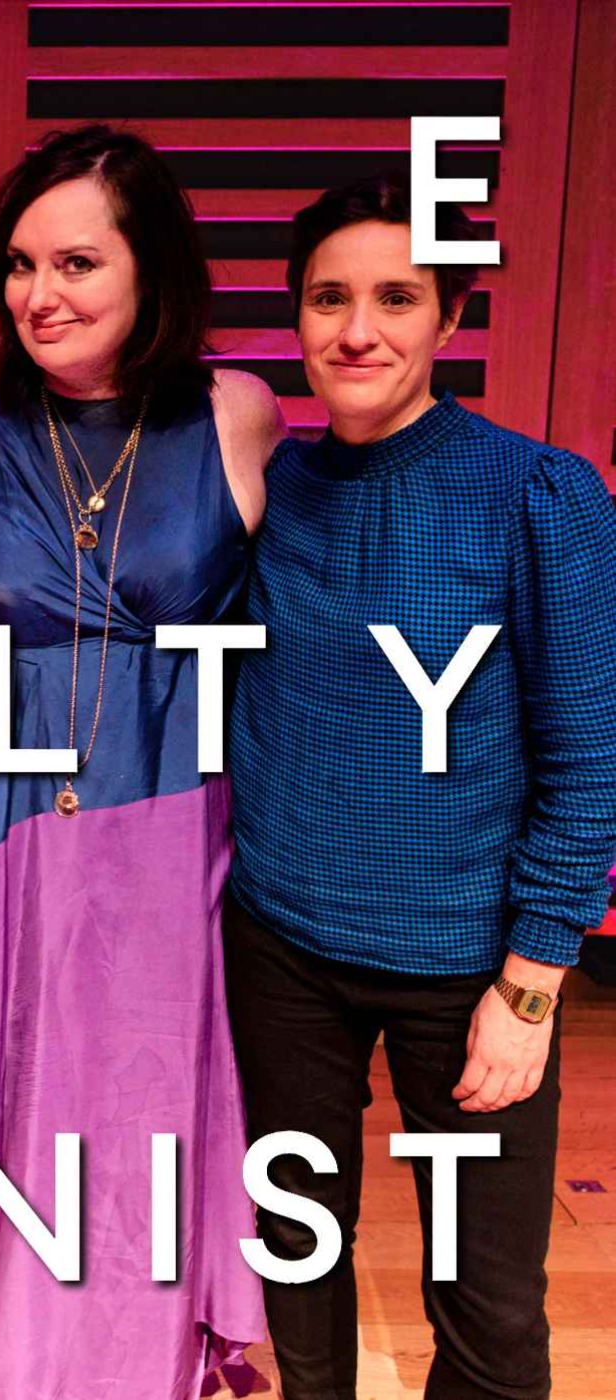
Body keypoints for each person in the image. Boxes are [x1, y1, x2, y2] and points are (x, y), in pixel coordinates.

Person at [0, 124, 282, 1400]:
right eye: (19, 263)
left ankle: (118, 1355)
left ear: (152, 269)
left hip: (161, 794)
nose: (38, 293)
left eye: (77, 263)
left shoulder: (235, 414)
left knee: (133, 1083)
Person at [225, 173, 616, 1399]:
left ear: (448, 316)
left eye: (395, 298)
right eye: (326, 297)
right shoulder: (273, 487)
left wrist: (531, 982)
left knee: (486, 1301)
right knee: (296, 1250)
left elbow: (590, 754)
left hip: (466, 961)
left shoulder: (537, 493)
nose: (356, 330)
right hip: (279, 946)